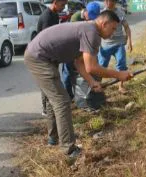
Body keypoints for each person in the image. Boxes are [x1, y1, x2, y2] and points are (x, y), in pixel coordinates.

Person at [24, 10, 132, 157]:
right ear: (104, 23)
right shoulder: (92, 32)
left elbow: (79, 62)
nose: (113, 34)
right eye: (112, 28)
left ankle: (53, 138)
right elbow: (92, 67)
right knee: (62, 101)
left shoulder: (89, 29)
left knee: (54, 99)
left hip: (42, 55)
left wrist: (91, 81)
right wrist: (119, 74)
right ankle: (69, 150)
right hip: (39, 58)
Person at [37, 0, 69, 116]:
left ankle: (50, 106)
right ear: (55, 2)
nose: (63, 8)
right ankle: (46, 109)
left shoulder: (55, 14)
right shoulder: (47, 16)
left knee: (53, 80)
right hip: (44, 55)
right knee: (47, 81)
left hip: (52, 55)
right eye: (62, 5)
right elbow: (45, 40)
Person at [62, 1, 101, 99]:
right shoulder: (75, 18)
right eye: (90, 16)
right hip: (69, 50)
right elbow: (76, 38)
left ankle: (81, 95)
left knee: (81, 72)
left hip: (81, 51)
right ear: (85, 11)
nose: (90, 19)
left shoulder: (90, 20)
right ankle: (69, 96)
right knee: (68, 74)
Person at [98, 0, 133, 94]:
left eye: (110, 0)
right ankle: (97, 85)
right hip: (105, 45)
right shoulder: (102, 13)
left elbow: (126, 27)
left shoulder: (120, 12)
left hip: (119, 44)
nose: (107, 3)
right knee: (101, 66)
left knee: (121, 64)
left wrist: (130, 41)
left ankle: (120, 86)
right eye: (106, 0)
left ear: (115, 2)